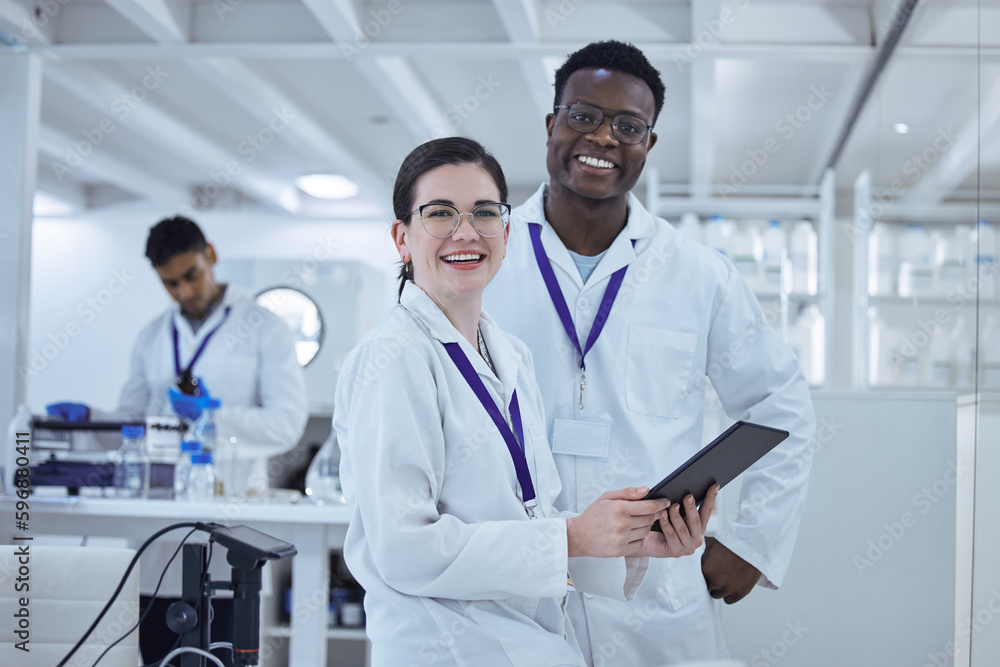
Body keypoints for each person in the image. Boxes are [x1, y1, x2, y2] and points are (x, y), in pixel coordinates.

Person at [483, 40, 817, 664]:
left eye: (628, 126)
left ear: (649, 146)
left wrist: (752, 541)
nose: (604, 137)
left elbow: (783, 406)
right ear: (551, 124)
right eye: (583, 115)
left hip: (653, 594)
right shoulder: (486, 259)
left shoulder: (698, 274)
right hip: (515, 580)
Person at [334, 136, 718, 666]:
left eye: (484, 212)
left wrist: (623, 541)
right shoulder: (392, 359)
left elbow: (531, 520)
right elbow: (404, 551)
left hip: (527, 642)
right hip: (446, 649)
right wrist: (573, 534)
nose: (465, 232)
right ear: (402, 238)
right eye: (440, 213)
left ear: (506, 232)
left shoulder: (511, 356)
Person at [47, 215, 308, 664]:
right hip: (157, 529)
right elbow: (133, 420)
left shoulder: (265, 328)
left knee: (221, 650)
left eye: (191, 275)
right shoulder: (152, 336)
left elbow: (287, 423)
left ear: (211, 255)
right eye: (170, 283)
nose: (185, 291)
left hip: (228, 521)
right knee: (152, 651)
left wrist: (215, 417)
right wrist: (90, 419)